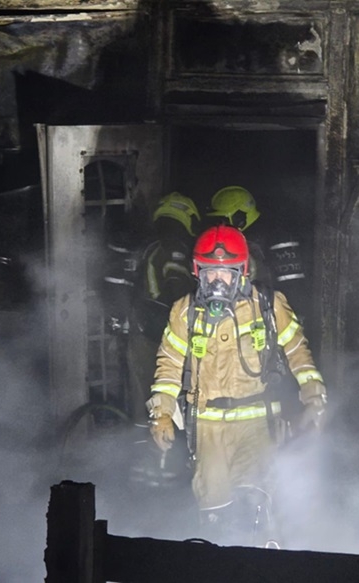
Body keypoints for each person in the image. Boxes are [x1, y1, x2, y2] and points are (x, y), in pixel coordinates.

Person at [145, 224, 327, 546]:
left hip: (256, 425)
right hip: (207, 429)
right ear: (197, 272)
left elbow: (298, 352)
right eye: (209, 273)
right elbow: (169, 364)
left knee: (253, 506)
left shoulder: (268, 305)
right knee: (214, 514)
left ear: (242, 272)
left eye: (225, 273)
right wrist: (161, 413)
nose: (216, 281)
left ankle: (262, 564)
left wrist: (314, 398)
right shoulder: (185, 312)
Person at [103, 191, 201, 424]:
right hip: (164, 340)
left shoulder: (146, 246)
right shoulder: (173, 249)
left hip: (140, 334)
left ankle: (142, 442)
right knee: (171, 404)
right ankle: (170, 444)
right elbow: (180, 298)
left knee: (143, 405)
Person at [206, 185, 311, 323]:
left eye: (224, 219)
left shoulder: (277, 236)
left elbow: (293, 288)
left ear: (240, 217)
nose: (221, 225)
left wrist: (292, 318)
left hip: (273, 314)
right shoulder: (235, 241)